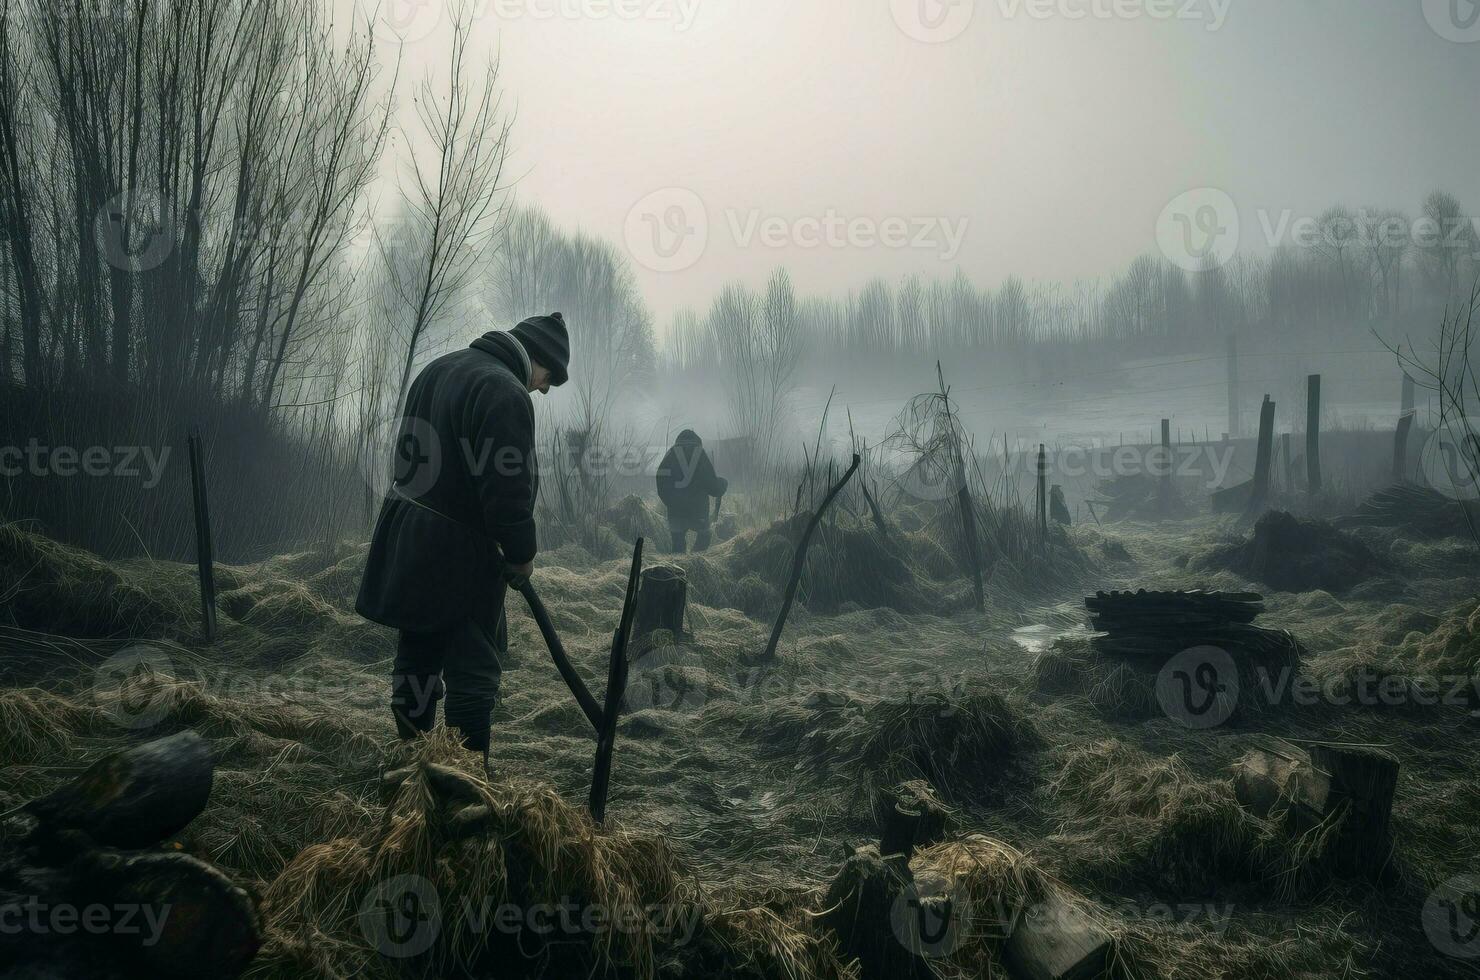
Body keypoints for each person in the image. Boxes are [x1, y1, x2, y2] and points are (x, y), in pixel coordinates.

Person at [356, 312, 570, 760]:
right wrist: (521, 552)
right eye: (550, 376)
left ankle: (412, 767)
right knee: (473, 673)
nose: (546, 388)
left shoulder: (438, 368)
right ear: (536, 359)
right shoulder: (504, 392)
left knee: (417, 660)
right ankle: (466, 784)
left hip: (408, 540)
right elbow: (507, 489)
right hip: (458, 554)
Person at [655, 429, 728, 553]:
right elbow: (712, 485)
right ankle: (695, 562)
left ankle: (679, 567)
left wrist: (670, 502)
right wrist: (722, 484)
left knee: (678, 545)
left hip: (676, 511)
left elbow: (661, 483)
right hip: (698, 510)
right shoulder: (700, 453)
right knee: (704, 537)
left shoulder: (670, 454)